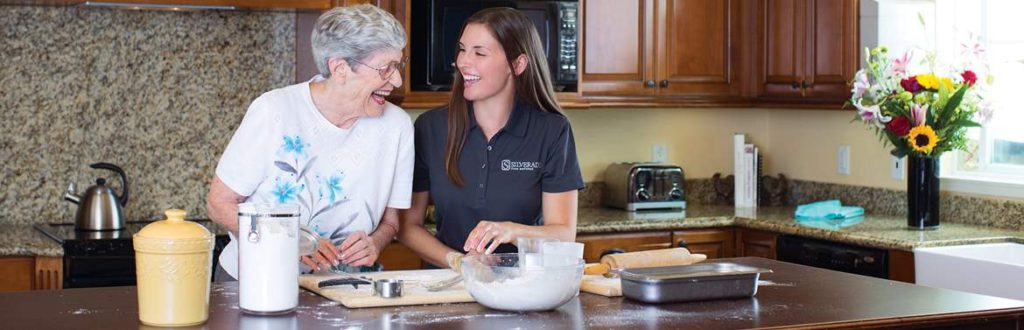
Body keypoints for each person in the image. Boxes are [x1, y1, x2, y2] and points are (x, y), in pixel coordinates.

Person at [206, 4, 413, 281]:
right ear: (340, 68)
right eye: (385, 69)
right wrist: (285, 241)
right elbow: (219, 204)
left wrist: (376, 242)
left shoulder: (396, 126)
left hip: (343, 288)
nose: (397, 80)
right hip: (254, 280)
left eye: (399, 65)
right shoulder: (275, 110)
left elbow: (390, 222)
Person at [398, 7, 584, 268]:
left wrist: (511, 231)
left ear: (517, 65)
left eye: (479, 53)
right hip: (449, 286)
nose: (463, 61)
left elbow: (564, 234)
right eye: (462, 49)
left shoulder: (552, 131)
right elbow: (407, 226)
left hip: (525, 288)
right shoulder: (430, 128)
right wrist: (459, 263)